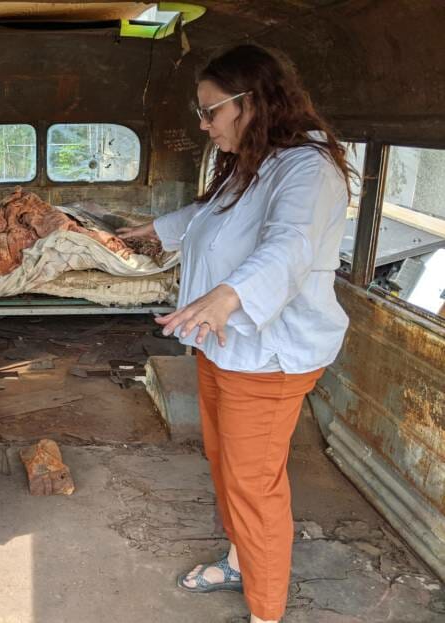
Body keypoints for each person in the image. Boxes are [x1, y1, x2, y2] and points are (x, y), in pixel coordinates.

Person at [118, 44, 352, 623]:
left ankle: (266, 611)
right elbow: (210, 216)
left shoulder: (306, 169)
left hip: (269, 356)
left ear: (252, 103)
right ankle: (240, 559)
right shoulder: (256, 159)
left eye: (211, 112)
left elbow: (290, 245)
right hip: (224, 345)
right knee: (227, 467)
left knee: (253, 484)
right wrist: (154, 228)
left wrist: (227, 296)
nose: (203, 126)